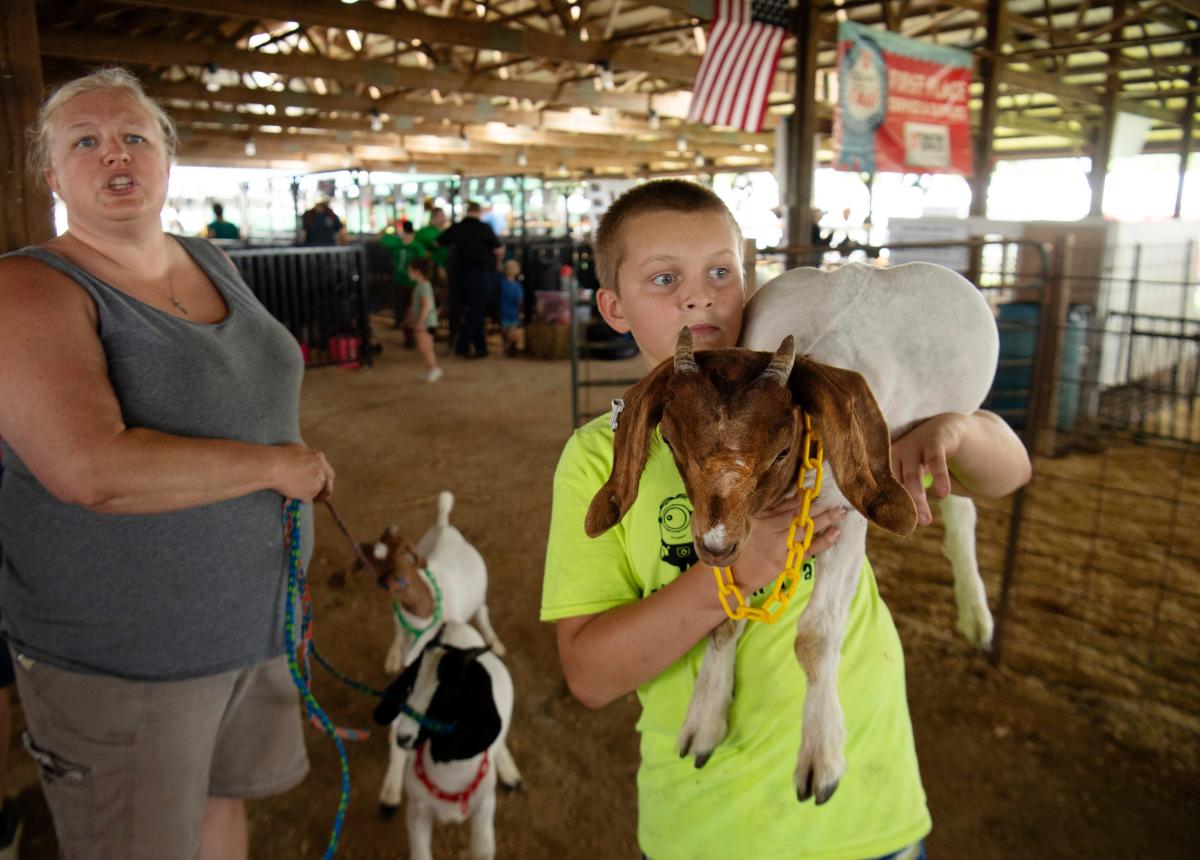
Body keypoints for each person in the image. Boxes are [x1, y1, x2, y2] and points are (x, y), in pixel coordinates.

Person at [541, 180, 1032, 860]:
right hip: (704, 830)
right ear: (613, 308)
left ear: (748, 281)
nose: (698, 296)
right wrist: (731, 575)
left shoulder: (812, 393)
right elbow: (589, 675)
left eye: (720, 272)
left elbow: (1009, 473)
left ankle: (823, 713)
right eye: (664, 278)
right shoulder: (597, 458)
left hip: (865, 817)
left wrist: (955, 429)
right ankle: (716, 694)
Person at [0, 67, 336, 860]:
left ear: (166, 158)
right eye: (85, 142)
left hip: (253, 625)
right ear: (54, 176)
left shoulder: (208, 258)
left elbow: (245, 393)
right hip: (126, 653)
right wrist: (272, 468)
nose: (114, 155)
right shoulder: (29, 287)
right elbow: (90, 470)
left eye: (133, 137)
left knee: (224, 811)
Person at [438, 201, 501, 359]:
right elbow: (498, 248)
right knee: (478, 310)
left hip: (459, 276)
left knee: (471, 310)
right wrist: (497, 265)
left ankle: (480, 347)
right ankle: (462, 344)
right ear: (479, 212)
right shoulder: (484, 228)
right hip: (479, 274)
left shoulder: (457, 227)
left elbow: (439, 241)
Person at [378, 218, 428, 332]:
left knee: (408, 305)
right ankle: (406, 325)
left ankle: (407, 325)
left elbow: (381, 236)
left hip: (408, 281)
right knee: (406, 305)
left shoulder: (408, 245)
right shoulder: (412, 245)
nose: (407, 237)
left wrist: (389, 225)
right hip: (403, 281)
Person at [406, 256, 442, 383]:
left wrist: (420, 323)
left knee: (425, 347)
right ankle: (431, 368)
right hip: (426, 322)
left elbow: (426, 306)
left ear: (418, 272)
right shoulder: (421, 285)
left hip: (426, 323)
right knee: (424, 346)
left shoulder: (423, 286)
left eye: (410, 270)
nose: (408, 272)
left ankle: (434, 368)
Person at [499, 258, 524, 356]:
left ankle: (505, 347)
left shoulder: (502, 283)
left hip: (503, 310)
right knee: (512, 331)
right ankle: (510, 348)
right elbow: (519, 300)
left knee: (504, 331)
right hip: (513, 312)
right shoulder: (517, 286)